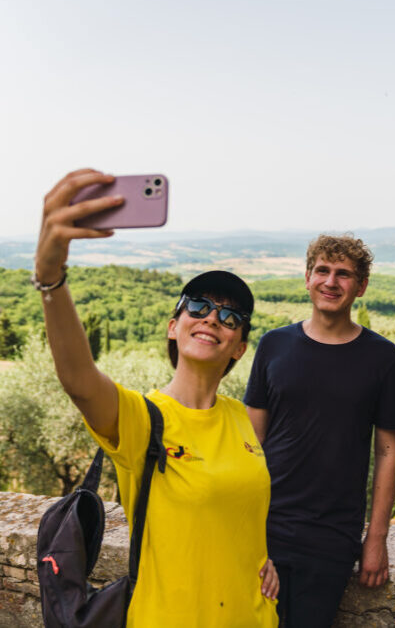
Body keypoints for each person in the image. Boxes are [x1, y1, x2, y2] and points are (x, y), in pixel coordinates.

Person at [35, 169, 279, 627]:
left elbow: (240, 515)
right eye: (198, 306)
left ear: (240, 347)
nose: (212, 318)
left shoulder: (240, 417)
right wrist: (51, 278)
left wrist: (266, 560)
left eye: (230, 316)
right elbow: (79, 379)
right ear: (174, 325)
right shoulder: (142, 420)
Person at [243, 234, 395, 627]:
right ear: (307, 277)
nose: (331, 282)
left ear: (361, 286)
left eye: (344, 274)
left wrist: (377, 538)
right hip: (261, 527)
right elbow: (249, 442)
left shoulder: (383, 357)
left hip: (331, 537)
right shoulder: (273, 345)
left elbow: (387, 452)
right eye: (323, 271)